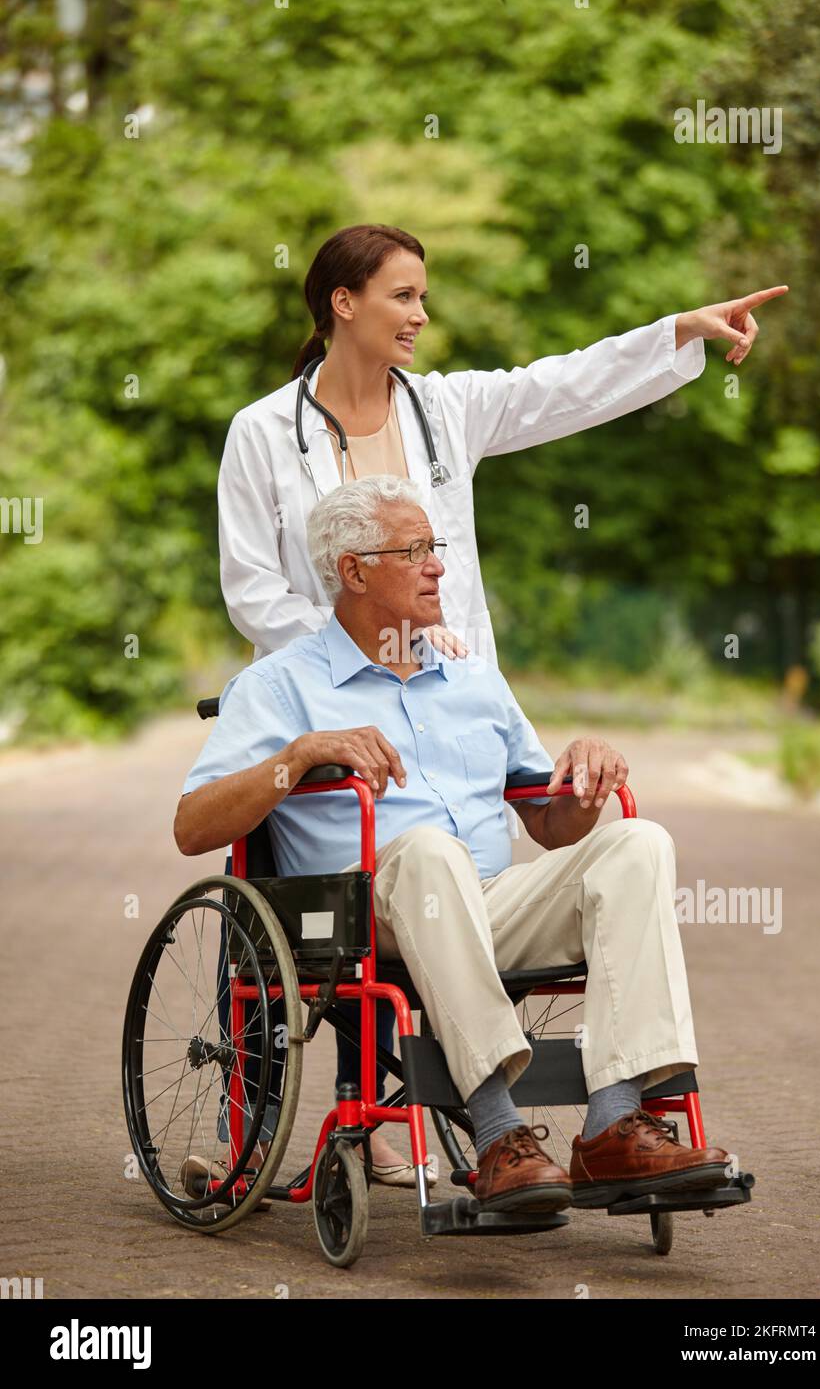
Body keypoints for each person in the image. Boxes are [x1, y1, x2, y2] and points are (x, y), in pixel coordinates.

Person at [214, 222, 787, 1178]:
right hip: (333, 701)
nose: (422, 315)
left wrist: (679, 333)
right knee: (413, 857)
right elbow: (250, 588)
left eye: (424, 296)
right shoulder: (264, 432)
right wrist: (351, 658)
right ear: (341, 304)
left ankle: (613, 1120)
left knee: (611, 844)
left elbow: (563, 385)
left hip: (447, 690)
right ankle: (478, 1127)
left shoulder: (445, 410)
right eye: (403, 295)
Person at [176, 476, 733, 1213]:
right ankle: (499, 1133)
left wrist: (585, 780)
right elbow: (192, 826)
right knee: (426, 850)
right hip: (361, 911)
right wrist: (304, 753)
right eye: (414, 551)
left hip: (486, 903)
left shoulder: (473, 678)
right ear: (353, 570)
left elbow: (549, 822)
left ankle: (614, 1125)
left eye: (435, 547)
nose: (439, 565)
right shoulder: (280, 687)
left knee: (638, 841)